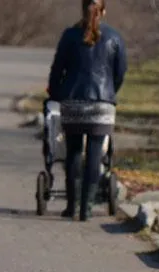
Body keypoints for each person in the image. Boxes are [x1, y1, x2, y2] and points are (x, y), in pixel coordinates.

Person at [48, 0, 126, 221]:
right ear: (104, 10)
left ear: (82, 9)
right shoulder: (115, 37)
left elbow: (57, 68)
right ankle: (87, 208)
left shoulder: (69, 35)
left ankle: (71, 206)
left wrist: (55, 93)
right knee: (94, 153)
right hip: (102, 103)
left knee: (73, 151)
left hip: (73, 102)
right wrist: (110, 92)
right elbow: (120, 73)